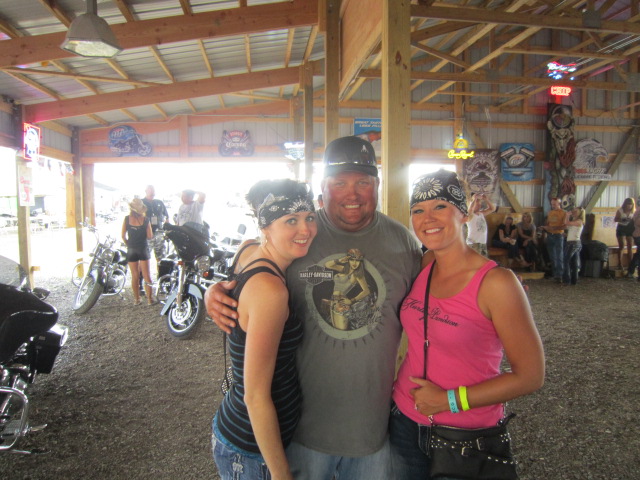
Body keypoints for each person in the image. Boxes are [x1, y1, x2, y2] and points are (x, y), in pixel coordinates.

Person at [206, 136, 422, 480]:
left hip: (371, 431)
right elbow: (256, 254)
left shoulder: (404, 243)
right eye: (339, 183)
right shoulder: (301, 237)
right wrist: (219, 288)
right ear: (323, 188)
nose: (352, 194)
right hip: (299, 433)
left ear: (378, 185)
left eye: (363, 182)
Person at [389, 170, 545, 478]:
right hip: (405, 421)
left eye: (440, 206)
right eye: (418, 210)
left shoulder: (497, 283)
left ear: (463, 213)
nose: (427, 218)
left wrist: (448, 400)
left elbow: (531, 376)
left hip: (465, 437)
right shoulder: (426, 264)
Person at [212, 179, 317, 480]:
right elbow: (255, 397)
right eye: (291, 220)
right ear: (265, 227)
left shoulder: (248, 251)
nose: (305, 229)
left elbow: (230, 284)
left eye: (310, 217)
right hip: (251, 450)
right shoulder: (271, 291)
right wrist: (282, 475)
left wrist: (212, 291)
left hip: (243, 434)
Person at [121, 198, 155, 306]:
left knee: (135, 275)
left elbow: (123, 236)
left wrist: (128, 244)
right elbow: (150, 236)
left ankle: (137, 299)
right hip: (143, 248)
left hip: (131, 249)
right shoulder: (146, 220)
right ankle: (149, 299)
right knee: (146, 275)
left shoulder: (127, 219)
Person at [142, 185, 169, 274]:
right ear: (146, 191)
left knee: (161, 258)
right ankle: (143, 278)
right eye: (150, 190)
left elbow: (167, 217)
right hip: (145, 235)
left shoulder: (159, 202)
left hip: (159, 234)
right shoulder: (141, 203)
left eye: (153, 191)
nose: (152, 192)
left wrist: (167, 230)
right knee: (144, 258)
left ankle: (161, 277)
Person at [542, 197, 567, 282]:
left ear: (559, 204)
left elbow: (565, 226)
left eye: (554, 204)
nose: (553, 205)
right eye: (552, 204)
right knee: (552, 256)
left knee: (559, 255)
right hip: (550, 235)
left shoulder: (564, 213)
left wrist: (553, 228)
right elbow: (548, 224)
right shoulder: (550, 213)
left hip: (558, 235)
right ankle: (555, 273)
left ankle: (560, 275)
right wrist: (545, 228)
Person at [466, 193, 495, 257]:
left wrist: (486, 199)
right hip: (473, 243)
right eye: (477, 203)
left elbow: (492, 209)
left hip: (482, 243)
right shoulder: (469, 214)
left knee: (483, 261)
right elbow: (470, 209)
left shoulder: (481, 213)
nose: (479, 205)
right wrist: (474, 199)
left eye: (480, 203)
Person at [563, 207, 585, 285]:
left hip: (573, 243)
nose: (573, 212)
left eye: (576, 211)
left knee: (566, 260)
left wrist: (567, 215)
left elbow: (567, 223)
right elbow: (567, 226)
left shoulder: (579, 221)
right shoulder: (576, 222)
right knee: (574, 262)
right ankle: (574, 280)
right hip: (573, 242)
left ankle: (567, 280)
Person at [614, 198, 635, 270]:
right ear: (625, 204)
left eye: (631, 204)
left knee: (630, 246)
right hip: (621, 228)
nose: (629, 206)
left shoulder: (634, 211)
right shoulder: (620, 211)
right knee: (622, 246)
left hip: (630, 228)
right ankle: (620, 264)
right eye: (628, 204)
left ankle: (631, 265)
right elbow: (615, 219)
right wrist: (623, 219)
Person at [626, 203, 640, 281]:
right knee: (638, 255)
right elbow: (638, 222)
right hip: (638, 235)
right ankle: (631, 271)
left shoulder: (637, 210)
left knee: (638, 254)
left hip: (637, 234)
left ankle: (630, 271)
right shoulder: (639, 211)